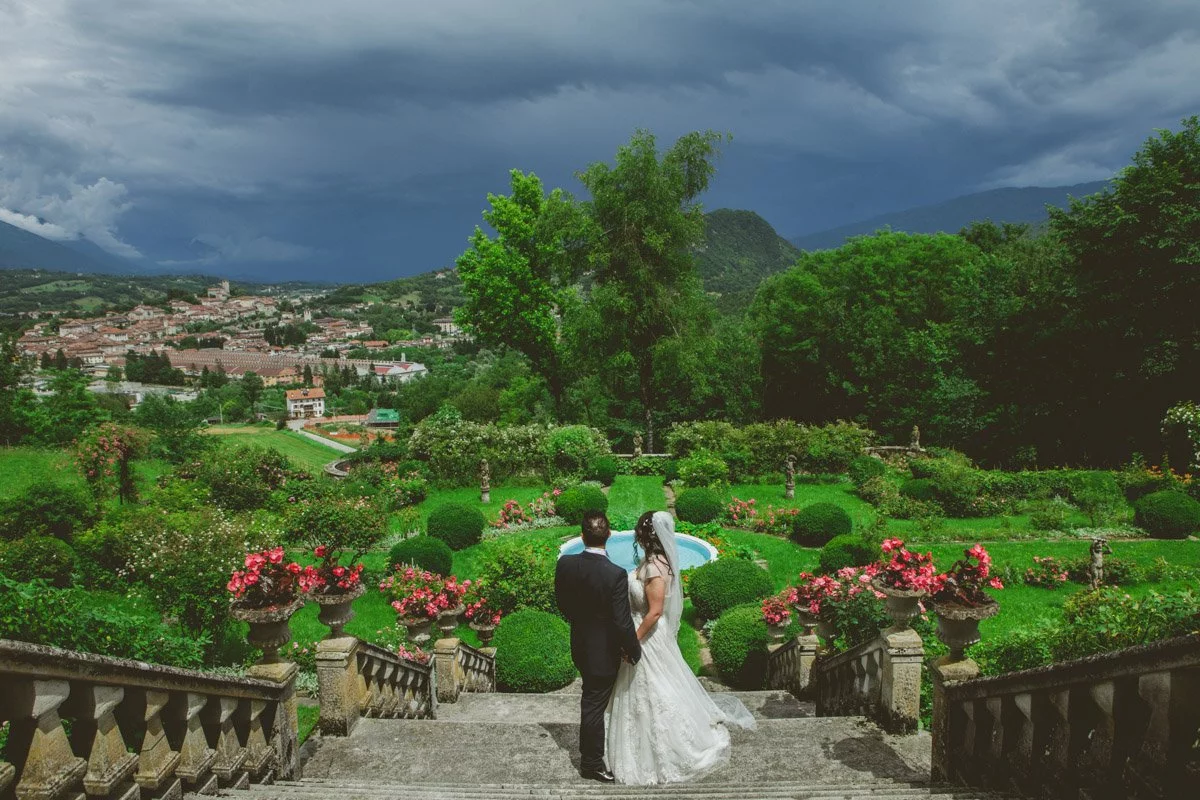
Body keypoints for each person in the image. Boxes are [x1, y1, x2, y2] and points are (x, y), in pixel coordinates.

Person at [606, 510, 756, 784]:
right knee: (658, 684)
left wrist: (631, 640)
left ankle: (666, 746)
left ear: (644, 535)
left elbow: (653, 612)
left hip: (647, 634)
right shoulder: (661, 561)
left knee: (653, 686)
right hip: (650, 631)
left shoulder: (653, 568)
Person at [554, 511, 641, 783]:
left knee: (592, 698)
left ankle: (597, 754)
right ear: (610, 535)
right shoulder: (615, 574)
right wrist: (634, 650)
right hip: (603, 652)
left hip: (580, 643)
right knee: (593, 704)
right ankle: (591, 763)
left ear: (582, 536)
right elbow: (622, 621)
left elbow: (562, 603)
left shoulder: (565, 564)